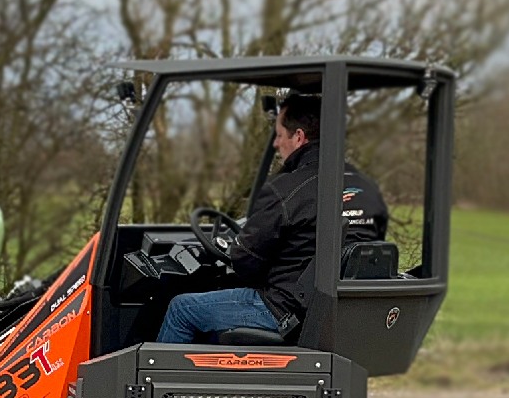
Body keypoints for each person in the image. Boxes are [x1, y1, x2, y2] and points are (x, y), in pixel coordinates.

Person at [156, 92, 389, 344]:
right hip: (335, 315)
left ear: (298, 137)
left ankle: (161, 382)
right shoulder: (368, 190)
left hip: (284, 310)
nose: (276, 144)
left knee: (182, 309)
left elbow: (246, 260)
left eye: (279, 135)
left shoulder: (287, 189)